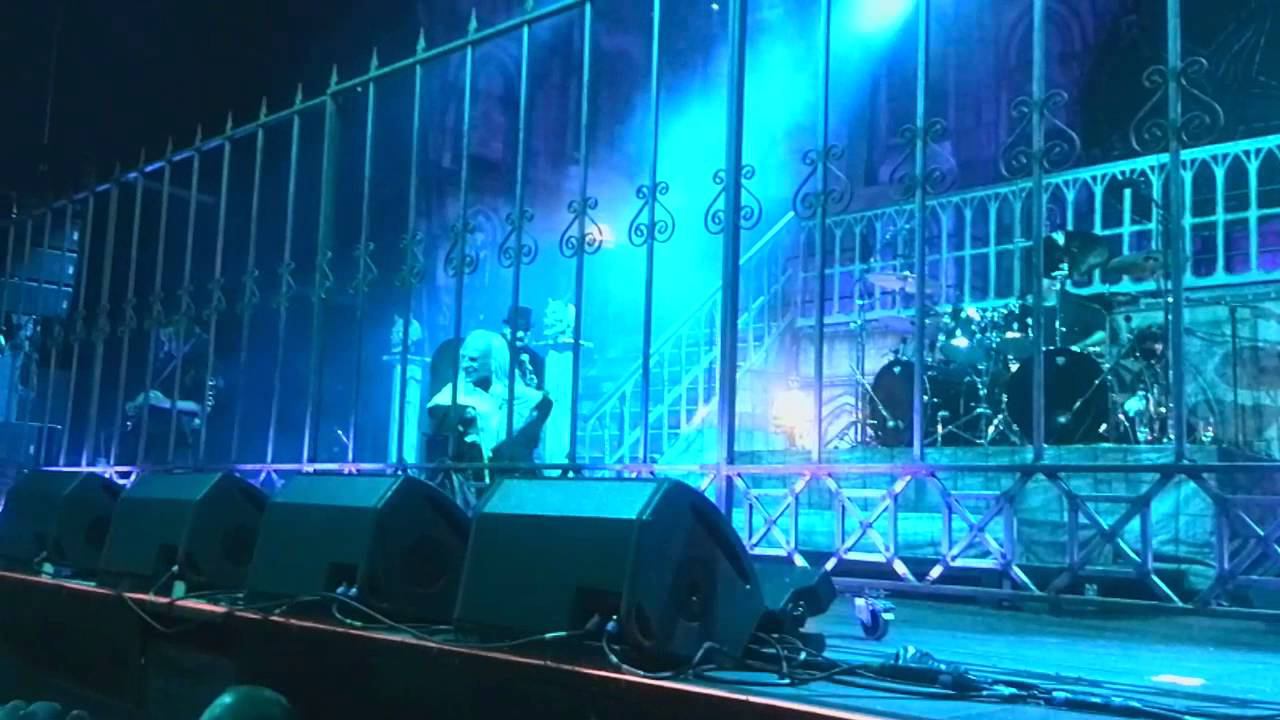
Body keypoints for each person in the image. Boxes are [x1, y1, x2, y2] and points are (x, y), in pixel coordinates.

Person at [427, 329, 551, 506]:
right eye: (463, 358)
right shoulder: (455, 393)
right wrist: (464, 413)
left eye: (473, 359)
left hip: (513, 487)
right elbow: (435, 412)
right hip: (470, 490)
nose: (464, 365)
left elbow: (541, 407)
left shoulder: (527, 400)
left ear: (493, 362)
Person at [123, 319, 221, 466]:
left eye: (169, 340)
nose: (166, 346)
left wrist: (165, 403)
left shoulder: (203, 362)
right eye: (164, 341)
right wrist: (139, 401)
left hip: (183, 437)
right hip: (156, 433)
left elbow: (203, 406)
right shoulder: (169, 360)